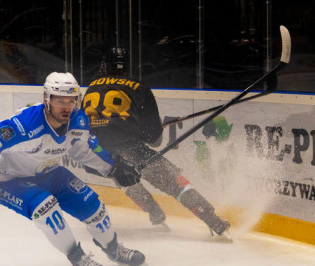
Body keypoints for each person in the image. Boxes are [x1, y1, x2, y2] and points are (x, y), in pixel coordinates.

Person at [0, 72, 146, 266]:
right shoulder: (23, 126)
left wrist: (114, 169)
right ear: (47, 99)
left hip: (50, 172)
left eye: (71, 101)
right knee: (47, 209)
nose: (66, 107)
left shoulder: (79, 120)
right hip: (11, 180)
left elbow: (84, 151)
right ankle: (79, 259)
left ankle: (114, 250)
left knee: (95, 210)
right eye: (60, 101)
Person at [81, 47, 231, 238]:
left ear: (105, 65)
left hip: (95, 152)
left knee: (122, 174)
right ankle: (214, 221)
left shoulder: (91, 88)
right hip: (129, 148)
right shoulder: (138, 87)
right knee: (172, 181)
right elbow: (154, 140)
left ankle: (155, 213)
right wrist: (152, 129)